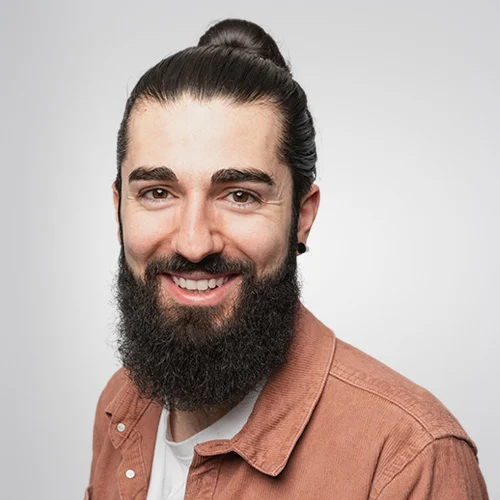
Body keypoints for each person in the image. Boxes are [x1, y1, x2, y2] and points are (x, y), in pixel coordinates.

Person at [86, 18, 488, 500]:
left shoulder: (411, 459)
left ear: (301, 216)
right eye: (158, 192)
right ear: (119, 210)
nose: (194, 243)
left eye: (240, 195)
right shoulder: (120, 402)